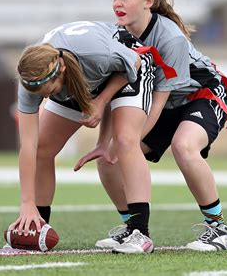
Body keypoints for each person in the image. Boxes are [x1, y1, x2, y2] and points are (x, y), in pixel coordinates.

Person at [75, 0, 227, 252]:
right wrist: (106, 144)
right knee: (109, 158)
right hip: (163, 102)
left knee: (183, 146)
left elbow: (159, 100)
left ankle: (218, 228)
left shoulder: (170, 37)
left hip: (201, 96)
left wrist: (127, 143)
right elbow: (119, 94)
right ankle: (133, 228)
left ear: (148, 1)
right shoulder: (117, 37)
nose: (117, 3)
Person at [12, 20, 157, 254]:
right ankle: (37, 225)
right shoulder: (31, 82)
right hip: (83, 80)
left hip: (129, 68)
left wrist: (100, 101)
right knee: (42, 150)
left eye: (49, 93)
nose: (45, 98)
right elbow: (28, 146)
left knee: (124, 141)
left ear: (61, 70)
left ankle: (140, 233)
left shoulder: (95, 53)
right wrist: (26, 203)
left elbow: (135, 62)